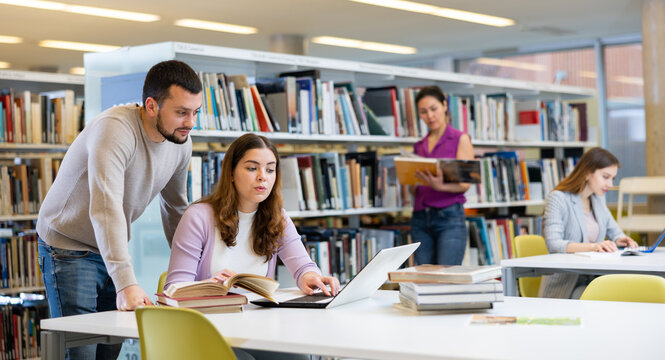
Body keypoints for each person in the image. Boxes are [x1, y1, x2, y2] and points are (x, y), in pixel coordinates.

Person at [37, 60, 202, 359]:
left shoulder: (181, 142)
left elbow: (176, 207)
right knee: (81, 352)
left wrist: (196, 274)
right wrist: (126, 282)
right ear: (151, 106)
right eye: (181, 112)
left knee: (110, 350)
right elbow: (106, 207)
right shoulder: (115, 129)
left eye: (195, 112)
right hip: (67, 246)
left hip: (109, 247)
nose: (190, 122)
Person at [165, 133, 340, 360]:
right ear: (231, 174)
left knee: (297, 357)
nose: (262, 177)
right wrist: (209, 286)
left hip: (253, 328)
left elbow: (302, 265)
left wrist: (310, 276)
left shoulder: (278, 218)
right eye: (251, 168)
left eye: (270, 169)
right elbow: (174, 288)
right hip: (204, 328)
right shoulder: (199, 216)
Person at [541, 147, 638, 298]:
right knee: (610, 297)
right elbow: (554, 243)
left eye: (613, 178)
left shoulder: (597, 199)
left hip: (593, 278)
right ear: (587, 173)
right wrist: (594, 247)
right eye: (605, 177)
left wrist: (621, 239)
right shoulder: (558, 198)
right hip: (567, 284)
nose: (610, 184)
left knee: (625, 292)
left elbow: (614, 231)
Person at [409, 86, 474, 265]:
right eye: (423, 112)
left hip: (449, 217)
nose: (429, 116)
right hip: (420, 218)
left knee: (447, 277)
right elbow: (414, 189)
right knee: (423, 279)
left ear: (444, 105)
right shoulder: (419, 146)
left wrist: (440, 186)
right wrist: (413, 182)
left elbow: (466, 184)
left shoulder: (460, 139)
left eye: (433, 109)